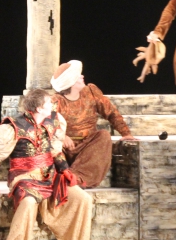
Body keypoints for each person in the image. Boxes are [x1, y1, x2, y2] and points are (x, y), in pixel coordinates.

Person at [0, 88, 92, 240]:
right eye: (49, 102)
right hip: (25, 177)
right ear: (40, 108)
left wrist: (65, 170)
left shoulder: (53, 121)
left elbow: (55, 151)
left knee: (83, 198)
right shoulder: (14, 127)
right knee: (27, 203)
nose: (53, 104)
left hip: (49, 176)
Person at [50, 60, 136, 188]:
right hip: (66, 148)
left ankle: (76, 178)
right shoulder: (56, 101)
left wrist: (126, 133)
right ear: (71, 82)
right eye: (78, 75)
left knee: (104, 136)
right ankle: (62, 176)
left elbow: (111, 112)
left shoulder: (90, 91)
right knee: (49, 144)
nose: (82, 76)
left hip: (88, 146)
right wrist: (61, 137)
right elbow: (47, 122)